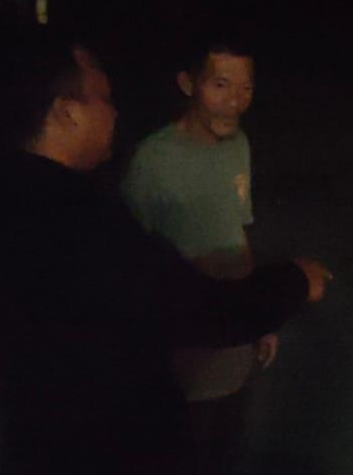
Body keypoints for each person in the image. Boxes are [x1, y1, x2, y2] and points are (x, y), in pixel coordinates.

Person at [0, 30, 331, 474]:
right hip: (116, 432)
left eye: (246, 87)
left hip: (112, 409)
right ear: (66, 112)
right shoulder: (85, 214)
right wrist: (293, 283)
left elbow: (228, 238)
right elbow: (186, 306)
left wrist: (260, 315)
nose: (115, 111)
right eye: (104, 98)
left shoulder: (12, 197)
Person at [120, 39, 271, 473]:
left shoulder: (239, 145)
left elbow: (238, 230)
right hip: (183, 361)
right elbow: (127, 262)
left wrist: (260, 314)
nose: (235, 101)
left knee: (227, 451)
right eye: (220, 85)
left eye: (245, 88)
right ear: (188, 83)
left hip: (236, 347)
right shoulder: (152, 161)